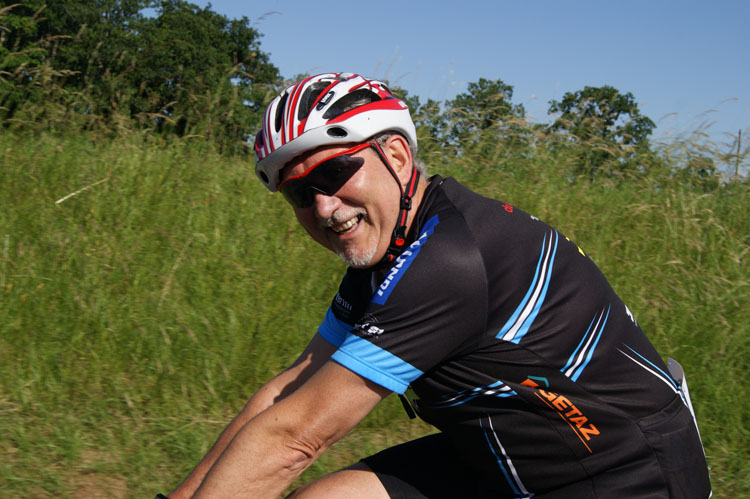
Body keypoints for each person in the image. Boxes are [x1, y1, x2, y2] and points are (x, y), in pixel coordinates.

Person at [162, 73, 712, 498]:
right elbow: (287, 393)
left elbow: (296, 439)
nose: (324, 207)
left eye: (333, 173)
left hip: (621, 476)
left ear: (397, 156)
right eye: (300, 194)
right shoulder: (391, 253)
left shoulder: (448, 261)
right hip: (502, 455)